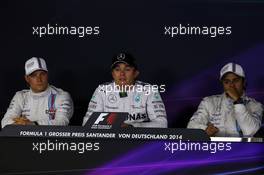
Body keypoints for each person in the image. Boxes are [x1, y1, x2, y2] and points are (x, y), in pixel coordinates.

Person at [82, 52, 167, 128]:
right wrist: (115, 125)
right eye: (117, 69)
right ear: (112, 74)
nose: (122, 74)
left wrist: (132, 127)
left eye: (127, 69)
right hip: (110, 141)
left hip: (140, 141)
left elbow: (162, 124)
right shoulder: (102, 90)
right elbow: (87, 123)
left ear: (136, 73)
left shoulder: (149, 90)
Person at [187, 63, 263, 137]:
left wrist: (237, 101)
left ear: (243, 82)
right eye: (227, 82)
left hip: (243, 149)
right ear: (223, 84)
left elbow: (251, 132)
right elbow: (191, 127)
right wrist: (204, 130)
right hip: (215, 149)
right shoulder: (209, 102)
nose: (231, 85)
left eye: (236, 80)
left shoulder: (256, 106)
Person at [1, 57, 73, 128]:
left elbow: (62, 122)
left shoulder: (62, 96)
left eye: (42, 74)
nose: (39, 79)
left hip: (51, 139)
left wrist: (33, 124)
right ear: (27, 78)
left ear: (47, 75)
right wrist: (21, 124)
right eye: (33, 75)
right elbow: (5, 122)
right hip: (25, 139)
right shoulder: (20, 96)